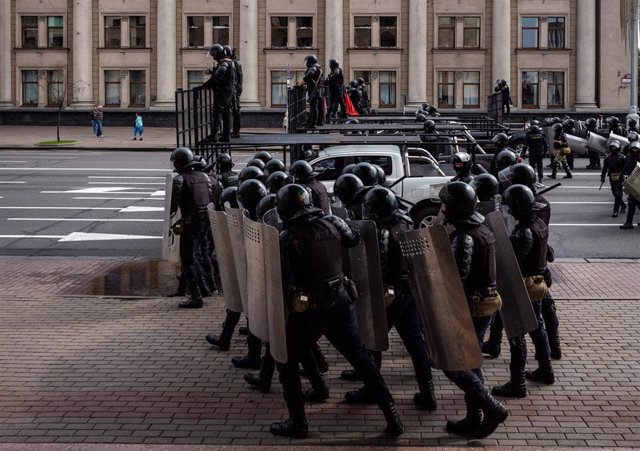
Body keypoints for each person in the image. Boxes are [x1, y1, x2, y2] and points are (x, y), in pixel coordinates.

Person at [271, 183, 404, 438]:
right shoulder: (332, 222)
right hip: (341, 301)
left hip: (311, 307)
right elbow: (354, 238)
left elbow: (285, 278)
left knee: (286, 361)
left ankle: (298, 422)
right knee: (362, 360)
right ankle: (392, 416)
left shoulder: (289, 237)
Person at [343, 187, 437, 411]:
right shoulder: (404, 220)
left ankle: (372, 390)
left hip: (390, 292)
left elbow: (379, 267)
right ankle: (427, 392)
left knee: (371, 339)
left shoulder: (383, 231)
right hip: (408, 289)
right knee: (416, 344)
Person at [438, 182, 508, 438]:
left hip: (472, 306)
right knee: (472, 361)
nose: (443, 208)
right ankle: (473, 416)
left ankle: (492, 408)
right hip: (483, 304)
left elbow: (457, 278)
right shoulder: (481, 228)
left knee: (454, 363)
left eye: (446, 203)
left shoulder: (465, 236)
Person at [497, 185, 556, 391]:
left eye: (512, 206)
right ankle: (546, 370)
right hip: (538, 283)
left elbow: (515, 264)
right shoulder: (539, 223)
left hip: (524, 286)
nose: (510, 210)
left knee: (517, 333)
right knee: (537, 328)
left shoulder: (524, 232)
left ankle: (517, 382)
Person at [169, 147, 211, 309]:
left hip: (190, 223)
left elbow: (172, 207)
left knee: (187, 259)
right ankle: (204, 289)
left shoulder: (180, 179)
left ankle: (196, 296)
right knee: (196, 256)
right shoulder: (204, 176)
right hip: (204, 222)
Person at [202, 44, 235, 142]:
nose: (213, 57)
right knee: (226, 114)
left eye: (213, 55)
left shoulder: (224, 64)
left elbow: (218, 75)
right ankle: (226, 135)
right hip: (228, 91)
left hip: (223, 91)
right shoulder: (228, 63)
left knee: (217, 113)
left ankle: (213, 136)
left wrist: (207, 84)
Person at [601, 140, 627, 217]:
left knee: (618, 193)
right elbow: (605, 168)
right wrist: (602, 177)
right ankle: (623, 205)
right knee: (614, 192)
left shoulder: (622, 157)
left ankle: (615, 210)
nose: (613, 148)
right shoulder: (608, 157)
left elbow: (626, 167)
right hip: (612, 177)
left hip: (620, 177)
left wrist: (625, 174)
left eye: (615, 147)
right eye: (612, 147)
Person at [297, 55, 324, 128]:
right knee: (316, 107)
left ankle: (312, 124)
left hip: (314, 90)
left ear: (310, 61)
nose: (306, 63)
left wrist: (299, 84)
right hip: (317, 90)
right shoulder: (318, 68)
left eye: (306, 61)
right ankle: (312, 122)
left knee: (313, 107)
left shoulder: (313, 68)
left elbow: (309, 76)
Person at [620, 141, 640, 229]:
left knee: (633, 203)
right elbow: (625, 167)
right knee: (634, 202)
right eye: (633, 149)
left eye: (636, 149)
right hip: (631, 182)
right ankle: (629, 222)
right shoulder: (628, 157)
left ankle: (629, 222)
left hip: (638, 182)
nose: (634, 150)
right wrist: (622, 174)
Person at [225, 46, 243, 138]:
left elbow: (235, 78)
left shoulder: (233, 64)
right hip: (235, 88)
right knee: (235, 109)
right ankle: (234, 131)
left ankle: (235, 131)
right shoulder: (236, 63)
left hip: (234, 89)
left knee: (235, 110)